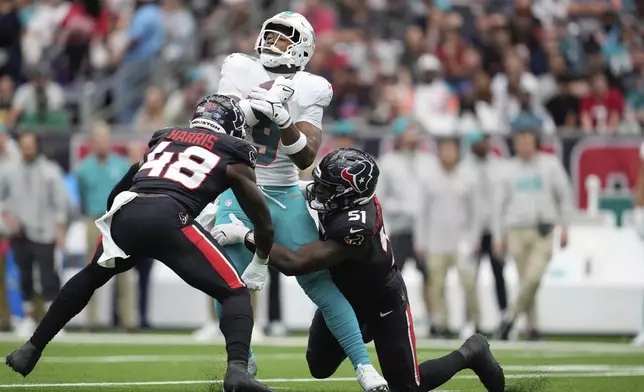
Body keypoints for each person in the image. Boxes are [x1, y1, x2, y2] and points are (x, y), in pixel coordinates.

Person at [6, 94, 275, 392]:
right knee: (234, 291)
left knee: (91, 275)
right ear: (231, 125)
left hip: (128, 209)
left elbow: (117, 192)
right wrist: (261, 259)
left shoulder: (165, 139)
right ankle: (237, 370)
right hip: (170, 216)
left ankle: (31, 348)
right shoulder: (234, 152)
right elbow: (261, 218)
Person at [213, 148, 505, 392]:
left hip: (381, 301)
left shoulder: (356, 224)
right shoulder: (345, 198)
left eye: (328, 188)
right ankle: (363, 337)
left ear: (349, 194)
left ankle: (471, 352)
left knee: (406, 388)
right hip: (346, 295)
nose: (319, 190)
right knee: (319, 367)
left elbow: (296, 263)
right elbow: (301, 193)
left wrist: (246, 235)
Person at [210, 10, 386, 391]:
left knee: (319, 283)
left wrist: (283, 119)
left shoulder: (311, 87)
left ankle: (363, 366)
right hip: (240, 187)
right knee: (226, 280)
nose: (273, 43)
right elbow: (220, 124)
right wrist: (252, 108)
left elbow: (307, 158)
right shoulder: (240, 68)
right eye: (270, 35)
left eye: (283, 38)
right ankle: (242, 362)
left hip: (284, 191)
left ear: (302, 49)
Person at [493, 125, 573, 341]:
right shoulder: (508, 169)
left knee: (532, 277)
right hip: (516, 230)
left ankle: (509, 318)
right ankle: (534, 328)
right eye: (520, 140)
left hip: (543, 230)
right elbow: (499, 206)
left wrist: (566, 227)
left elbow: (565, 196)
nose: (524, 145)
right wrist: (498, 236)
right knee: (526, 282)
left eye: (528, 140)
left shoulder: (549, 165)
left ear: (536, 142)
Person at [0, 132, 68, 338]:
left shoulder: (50, 171)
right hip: (19, 230)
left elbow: (60, 203)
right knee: (25, 275)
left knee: (48, 277)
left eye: (30, 145)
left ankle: (52, 321)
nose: (27, 149)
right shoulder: (8, 170)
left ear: (37, 146)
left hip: (45, 230)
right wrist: (8, 220)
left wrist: (60, 229)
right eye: (24, 145)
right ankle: (28, 317)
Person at [75, 122, 133, 331]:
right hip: (93, 219)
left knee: (125, 267)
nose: (101, 143)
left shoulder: (122, 165)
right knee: (92, 268)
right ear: (92, 142)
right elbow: (81, 195)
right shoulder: (83, 169)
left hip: (117, 218)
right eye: (97, 139)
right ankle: (91, 320)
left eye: (105, 139)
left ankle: (128, 319)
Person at [377, 118, 432, 333]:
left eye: (416, 132)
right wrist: (403, 207)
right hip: (399, 229)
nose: (414, 136)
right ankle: (392, 317)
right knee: (392, 278)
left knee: (431, 276)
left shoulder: (428, 161)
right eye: (410, 132)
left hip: (426, 231)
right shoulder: (389, 162)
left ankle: (433, 319)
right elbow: (380, 197)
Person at [461, 131, 508, 320]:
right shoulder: (465, 169)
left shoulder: (498, 166)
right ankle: (471, 319)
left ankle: (504, 316)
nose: (485, 144)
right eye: (481, 141)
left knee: (499, 274)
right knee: (470, 278)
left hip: (493, 229)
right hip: (473, 231)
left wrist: (500, 233)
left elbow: (502, 202)